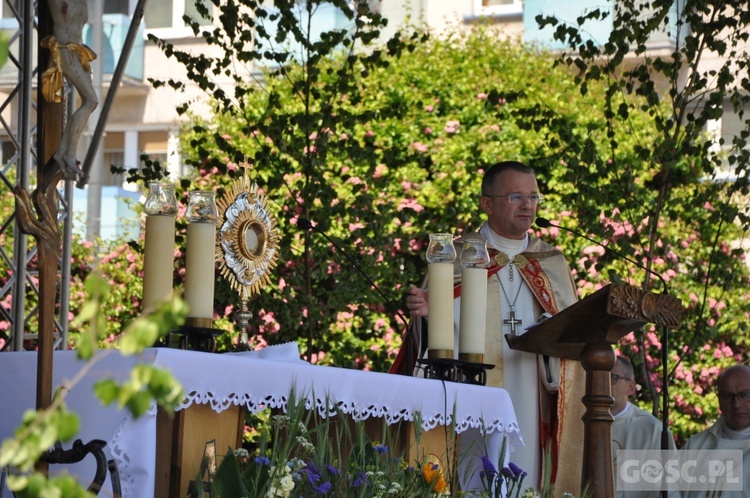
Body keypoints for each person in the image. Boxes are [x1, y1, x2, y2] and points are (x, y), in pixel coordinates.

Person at [401, 161, 584, 495]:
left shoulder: (551, 262)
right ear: (487, 203)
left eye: (534, 197)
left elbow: (572, 335)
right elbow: (427, 344)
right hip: (472, 394)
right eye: (516, 196)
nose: (528, 206)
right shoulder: (455, 256)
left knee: (527, 479)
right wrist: (429, 315)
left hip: (532, 394)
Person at [41, 0, 98, 182]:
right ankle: (69, 154)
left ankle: (63, 153)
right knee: (91, 100)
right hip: (64, 50)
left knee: (91, 101)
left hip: (77, 51)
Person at [611, 355, 678, 498]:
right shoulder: (576, 424)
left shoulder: (652, 430)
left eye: (612, 377)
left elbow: (671, 489)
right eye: (600, 377)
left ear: (631, 388)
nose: (603, 384)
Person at [681, 364, 750, 498]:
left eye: (745, 395)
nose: (736, 404)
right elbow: (673, 490)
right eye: (727, 396)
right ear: (719, 401)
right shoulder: (696, 446)